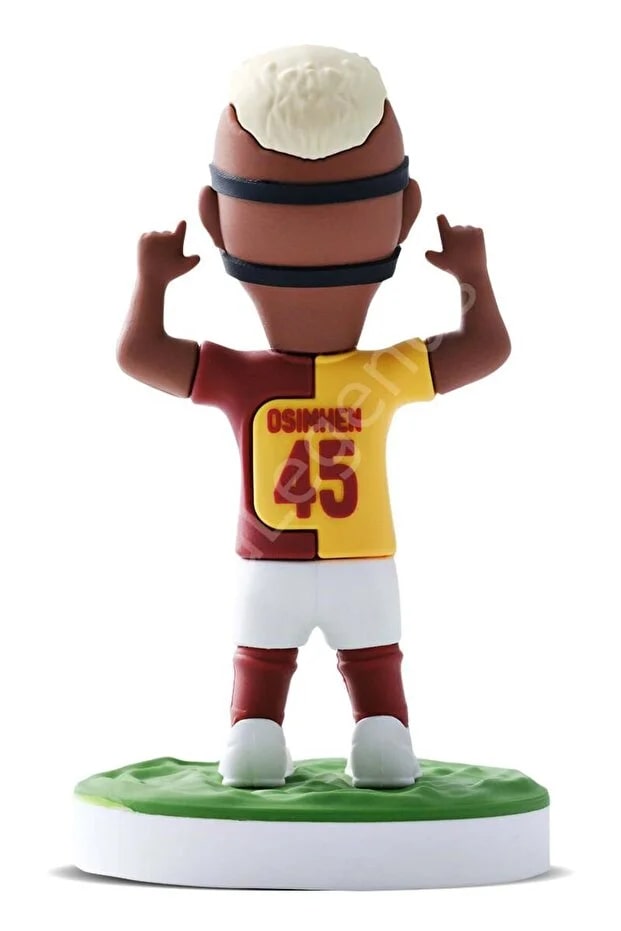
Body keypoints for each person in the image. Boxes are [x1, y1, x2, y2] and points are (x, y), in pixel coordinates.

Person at [117, 45, 510, 789]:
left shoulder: (242, 377)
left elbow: (140, 354)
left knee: (261, 668)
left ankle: (257, 738)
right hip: (364, 564)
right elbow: (485, 348)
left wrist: (151, 283)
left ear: (215, 222)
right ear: (405, 214)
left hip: (268, 566)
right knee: (375, 667)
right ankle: (379, 739)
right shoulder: (381, 374)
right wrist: (472, 278)